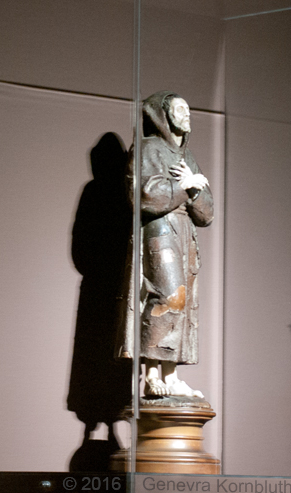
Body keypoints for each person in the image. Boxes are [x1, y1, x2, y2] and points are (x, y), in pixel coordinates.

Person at [119, 91, 213, 398]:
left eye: (188, 109)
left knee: (183, 304)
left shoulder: (189, 157)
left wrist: (195, 191)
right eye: (179, 109)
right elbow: (143, 195)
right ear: (162, 116)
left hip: (185, 233)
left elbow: (207, 213)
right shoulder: (147, 148)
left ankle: (171, 376)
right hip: (160, 229)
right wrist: (184, 185)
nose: (187, 114)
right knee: (166, 297)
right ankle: (151, 374)